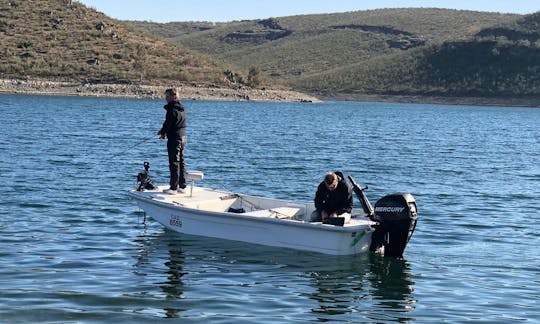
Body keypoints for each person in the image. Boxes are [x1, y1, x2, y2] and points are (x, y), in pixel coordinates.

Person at [157, 88, 187, 194]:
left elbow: (169, 122)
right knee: (181, 161)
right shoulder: (181, 109)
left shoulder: (172, 109)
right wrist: (163, 131)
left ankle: (173, 188)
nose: (166, 98)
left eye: (167, 96)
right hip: (182, 137)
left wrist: (163, 132)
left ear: (173, 96)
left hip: (175, 138)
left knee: (174, 162)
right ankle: (182, 185)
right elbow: (174, 123)